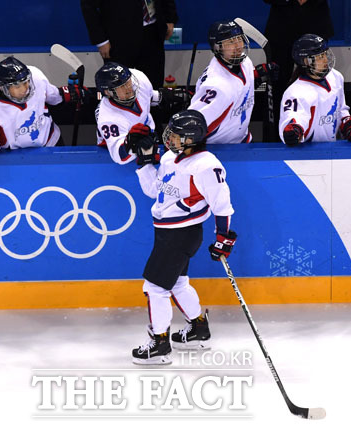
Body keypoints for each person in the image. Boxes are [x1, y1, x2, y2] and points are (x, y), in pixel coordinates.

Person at [131, 109, 237, 365]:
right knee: (177, 282)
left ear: (192, 139)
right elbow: (154, 191)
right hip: (166, 231)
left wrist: (223, 237)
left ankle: (159, 344)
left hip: (182, 233)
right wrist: (145, 161)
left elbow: (222, 205)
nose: (170, 140)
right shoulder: (170, 158)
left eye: (177, 136)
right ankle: (199, 327)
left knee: (155, 288)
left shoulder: (206, 165)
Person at [0, 56, 86, 172]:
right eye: (17, 86)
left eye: (26, 82)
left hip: (52, 142)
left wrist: (69, 94)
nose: (25, 88)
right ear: (4, 88)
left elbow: (54, 97)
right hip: (19, 158)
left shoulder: (36, 77)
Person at [188, 20, 279, 144]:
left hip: (243, 140)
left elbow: (240, 85)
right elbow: (193, 122)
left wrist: (258, 75)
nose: (238, 46)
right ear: (217, 47)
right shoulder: (215, 84)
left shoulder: (245, 61)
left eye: (239, 39)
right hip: (217, 148)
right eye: (231, 42)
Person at [94, 61, 187, 165]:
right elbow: (119, 156)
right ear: (108, 92)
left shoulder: (138, 78)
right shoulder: (108, 118)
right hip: (117, 148)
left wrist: (164, 97)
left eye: (128, 82)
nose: (129, 88)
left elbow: (148, 96)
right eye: (121, 86)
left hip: (148, 132)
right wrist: (130, 142)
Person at [279, 34, 351, 145]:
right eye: (319, 57)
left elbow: (340, 109)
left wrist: (347, 123)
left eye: (324, 54)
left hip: (331, 150)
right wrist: (294, 129)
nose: (325, 60)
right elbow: (293, 118)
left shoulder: (336, 77)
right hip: (307, 155)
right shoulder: (295, 92)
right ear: (306, 61)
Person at [263, 0, 334, 129]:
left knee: (318, 76)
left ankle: (321, 129)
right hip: (281, 28)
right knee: (277, 83)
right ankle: (277, 134)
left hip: (316, 21)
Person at [80, 0, 178, 88]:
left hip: (152, 33)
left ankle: (152, 108)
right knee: (118, 87)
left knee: (153, 86)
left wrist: (170, 18)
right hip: (118, 38)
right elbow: (88, 5)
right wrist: (101, 40)